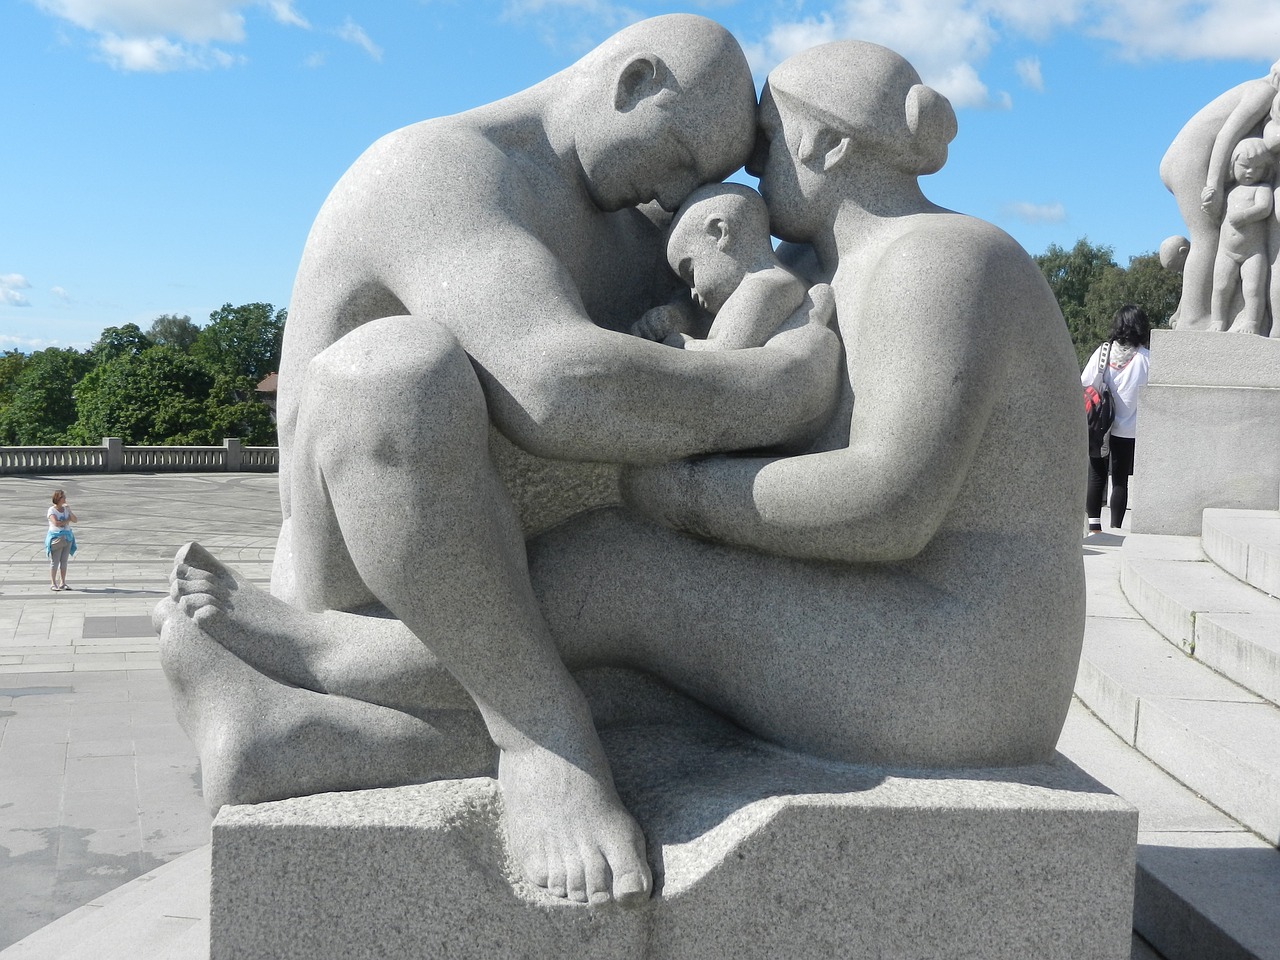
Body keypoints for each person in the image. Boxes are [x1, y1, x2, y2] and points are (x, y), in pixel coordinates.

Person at [155, 32, 1084, 912]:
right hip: (911, 627)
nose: (722, 183)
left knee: (613, 586)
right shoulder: (437, 174)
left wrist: (683, 495)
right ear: (635, 83)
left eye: (762, 147)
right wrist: (758, 390)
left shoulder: (935, 259)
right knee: (597, 640)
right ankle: (299, 735)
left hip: (959, 658)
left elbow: (889, 504)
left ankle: (328, 670)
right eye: (696, 153)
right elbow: (560, 385)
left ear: (829, 145)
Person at [1162, 57, 1280, 330]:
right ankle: (1194, 318)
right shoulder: (1263, 91)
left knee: (1209, 238)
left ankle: (1186, 311)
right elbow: (1227, 135)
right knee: (1207, 237)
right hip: (1191, 162)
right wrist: (1213, 185)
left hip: (1185, 159)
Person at [630, 182, 808, 351]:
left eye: (690, 273)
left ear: (719, 232)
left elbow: (725, 353)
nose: (693, 293)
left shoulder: (765, 287)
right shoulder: (760, 287)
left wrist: (679, 344)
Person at [1081, 306, 1152, 534]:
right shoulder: (1146, 359)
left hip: (1098, 426)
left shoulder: (1103, 352)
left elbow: (1085, 383)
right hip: (1128, 429)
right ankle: (1116, 529)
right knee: (1120, 480)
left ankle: (1094, 528)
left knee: (1096, 475)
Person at [1209, 139, 1275, 333]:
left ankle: (1252, 322)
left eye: (1257, 168)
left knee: (1253, 288)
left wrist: (1245, 216)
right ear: (1233, 164)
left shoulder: (1262, 189)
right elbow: (1216, 215)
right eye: (1245, 166)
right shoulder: (1230, 191)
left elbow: (1265, 208)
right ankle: (1218, 320)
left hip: (1253, 252)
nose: (1250, 172)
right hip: (1226, 251)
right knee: (1220, 287)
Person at [46, 489, 77, 591]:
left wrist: (69, 511)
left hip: (67, 537)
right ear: (58, 498)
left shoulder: (65, 509)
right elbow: (56, 523)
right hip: (56, 538)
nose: (65, 499)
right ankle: (53, 583)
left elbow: (75, 520)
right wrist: (67, 520)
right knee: (55, 561)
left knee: (64, 561)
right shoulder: (52, 510)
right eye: (63, 497)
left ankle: (63, 582)